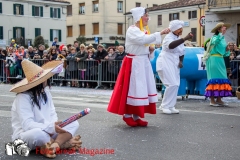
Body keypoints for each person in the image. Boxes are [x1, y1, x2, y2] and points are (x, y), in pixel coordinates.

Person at [107, 7, 170, 127]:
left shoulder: (143, 30)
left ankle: (136, 116)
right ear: (139, 17)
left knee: (142, 89)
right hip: (134, 63)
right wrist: (160, 33)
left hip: (142, 62)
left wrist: (150, 49)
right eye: (146, 16)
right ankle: (127, 115)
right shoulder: (132, 30)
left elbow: (144, 43)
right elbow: (142, 40)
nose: (148, 18)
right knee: (133, 88)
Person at [10, 60, 81, 158]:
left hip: (49, 130)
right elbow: (27, 125)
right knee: (38, 134)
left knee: (73, 122)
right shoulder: (22, 97)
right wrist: (51, 128)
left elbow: (53, 115)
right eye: (45, 78)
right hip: (26, 135)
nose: (47, 79)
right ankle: (63, 144)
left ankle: (53, 145)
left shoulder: (46, 92)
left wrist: (54, 127)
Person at [156, 20, 193, 114]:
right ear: (174, 29)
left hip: (174, 62)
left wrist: (181, 61)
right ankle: (164, 106)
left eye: (181, 29)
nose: (181, 30)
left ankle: (171, 105)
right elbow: (171, 46)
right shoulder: (168, 37)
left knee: (176, 84)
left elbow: (182, 52)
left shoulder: (179, 38)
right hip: (166, 61)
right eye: (179, 29)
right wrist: (185, 38)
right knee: (171, 83)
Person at [205, 22, 232, 106]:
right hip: (213, 59)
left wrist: (227, 50)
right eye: (223, 27)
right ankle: (212, 100)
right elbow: (214, 43)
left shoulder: (223, 38)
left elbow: (224, 53)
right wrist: (220, 34)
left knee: (222, 78)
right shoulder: (215, 37)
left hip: (220, 59)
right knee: (214, 79)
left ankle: (219, 99)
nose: (225, 28)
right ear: (219, 29)